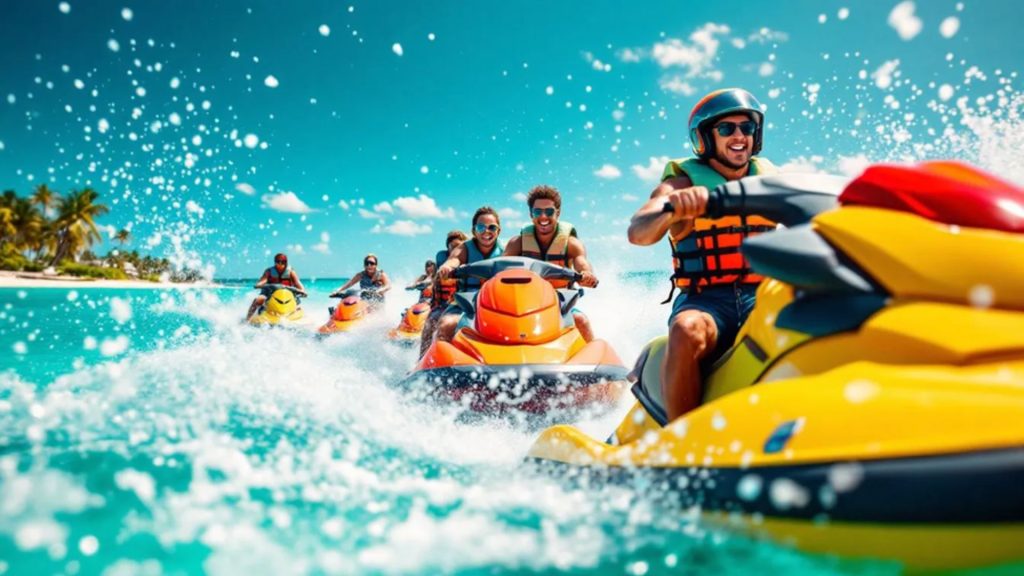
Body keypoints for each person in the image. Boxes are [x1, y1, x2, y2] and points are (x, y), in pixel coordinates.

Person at [626, 88, 778, 421]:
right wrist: (671, 209)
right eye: (727, 129)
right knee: (686, 329)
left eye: (747, 128)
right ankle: (683, 446)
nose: (739, 136)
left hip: (763, 295)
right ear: (705, 139)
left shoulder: (772, 180)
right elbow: (638, 232)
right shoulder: (680, 185)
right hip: (707, 302)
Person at [503, 184, 599, 341]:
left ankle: (594, 357)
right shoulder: (517, 243)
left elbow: (582, 263)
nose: (543, 217)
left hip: (560, 306)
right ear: (531, 214)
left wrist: (587, 274)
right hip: (524, 304)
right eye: (537, 211)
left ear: (558, 213)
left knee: (582, 321)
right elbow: (501, 267)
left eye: (548, 211)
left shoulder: (571, 243)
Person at [428, 206, 503, 349]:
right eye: (481, 227)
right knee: (446, 325)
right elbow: (454, 259)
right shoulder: (464, 248)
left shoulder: (506, 250)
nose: (486, 231)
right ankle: (431, 364)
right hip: (465, 302)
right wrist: (447, 267)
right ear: (474, 230)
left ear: (498, 231)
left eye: (492, 227)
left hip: (495, 302)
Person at [419, 230, 468, 355]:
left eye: (459, 247)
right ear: (448, 249)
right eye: (453, 247)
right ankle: (421, 358)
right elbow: (433, 277)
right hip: (441, 305)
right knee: (430, 323)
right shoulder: (443, 263)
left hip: (462, 304)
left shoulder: (469, 260)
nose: (456, 250)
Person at [247, 253, 307, 319]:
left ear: (286, 262)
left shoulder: (290, 271)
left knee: (296, 304)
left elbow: (297, 282)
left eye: (283, 262)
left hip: (287, 293)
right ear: (275, 262)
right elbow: (263, 280)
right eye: (278, 261)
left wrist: (302, 290)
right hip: (270, 293)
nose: (280, 264)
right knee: (259, 299)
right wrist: (259, 285)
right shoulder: (269, 271)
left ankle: (297, 317)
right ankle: (247, 319)